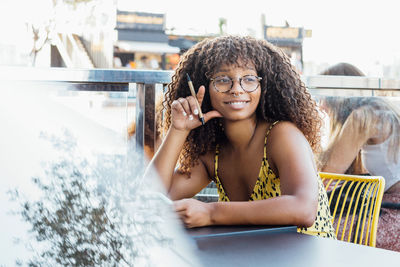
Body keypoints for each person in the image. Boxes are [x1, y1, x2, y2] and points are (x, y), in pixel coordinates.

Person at [145, 35, 335, 239]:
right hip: (254, 253)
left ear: (265, 87)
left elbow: (303, 209)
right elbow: (149, 199)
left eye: (249, 79)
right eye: (223, 80)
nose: (236, 89)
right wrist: (178, 130)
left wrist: (210, 213)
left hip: (306, 255)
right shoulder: (212, 152)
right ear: (204, 88)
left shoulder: (282, 135)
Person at [318, 63, 400, 251]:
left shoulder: (364, 116)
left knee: (319, 230)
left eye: (324, 97)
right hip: (391, 207)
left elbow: (327, 176)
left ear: (339, 96)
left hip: (394, 215)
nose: (320, 105)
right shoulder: (383, 111)